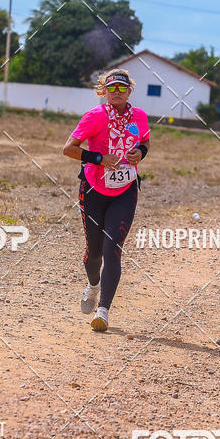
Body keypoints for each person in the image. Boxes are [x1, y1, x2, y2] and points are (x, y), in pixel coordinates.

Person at [62, 68, 150, 332]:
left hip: (125, 191)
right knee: (95, 253)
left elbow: (144, 142)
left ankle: (103, 311)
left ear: (129, 91)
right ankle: (92, 286)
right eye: (111, 88)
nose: (116, 93)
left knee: (113, 250)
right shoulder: (94, 116)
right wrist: (99, 159)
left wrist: (140, 154)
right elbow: (68, 149)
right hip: (92, 191)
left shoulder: (140, 117)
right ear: (104, 90)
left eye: (122, 88)